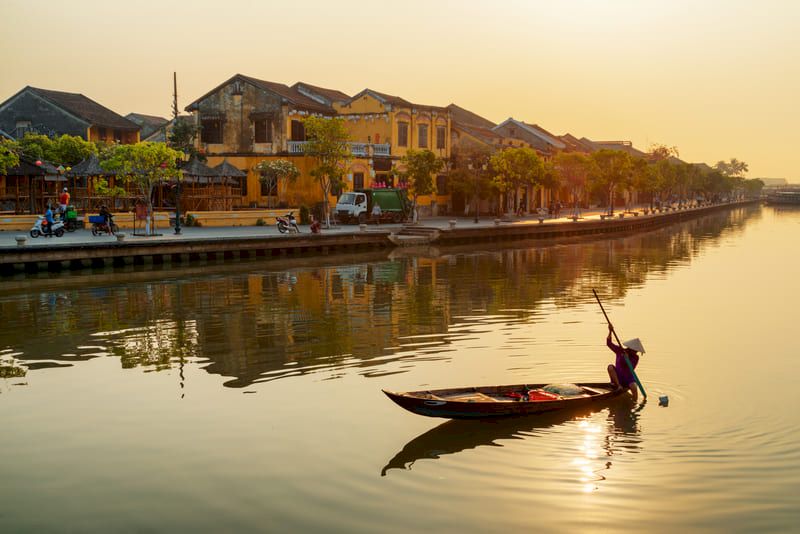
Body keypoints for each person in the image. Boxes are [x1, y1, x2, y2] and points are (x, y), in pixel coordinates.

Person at [606, 325, 645, 401]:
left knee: (634, 387)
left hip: (628, 378)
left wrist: (626, 358)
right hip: (618, 376)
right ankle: (619, 386)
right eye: (635, 350)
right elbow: (609, 343)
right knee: (610, 367)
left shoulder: (635, 357)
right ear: (630, 348)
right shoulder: (620, 350)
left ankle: (634, 402)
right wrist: (610, 331)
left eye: (636, 351)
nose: (636, 352)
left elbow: (631, 367)